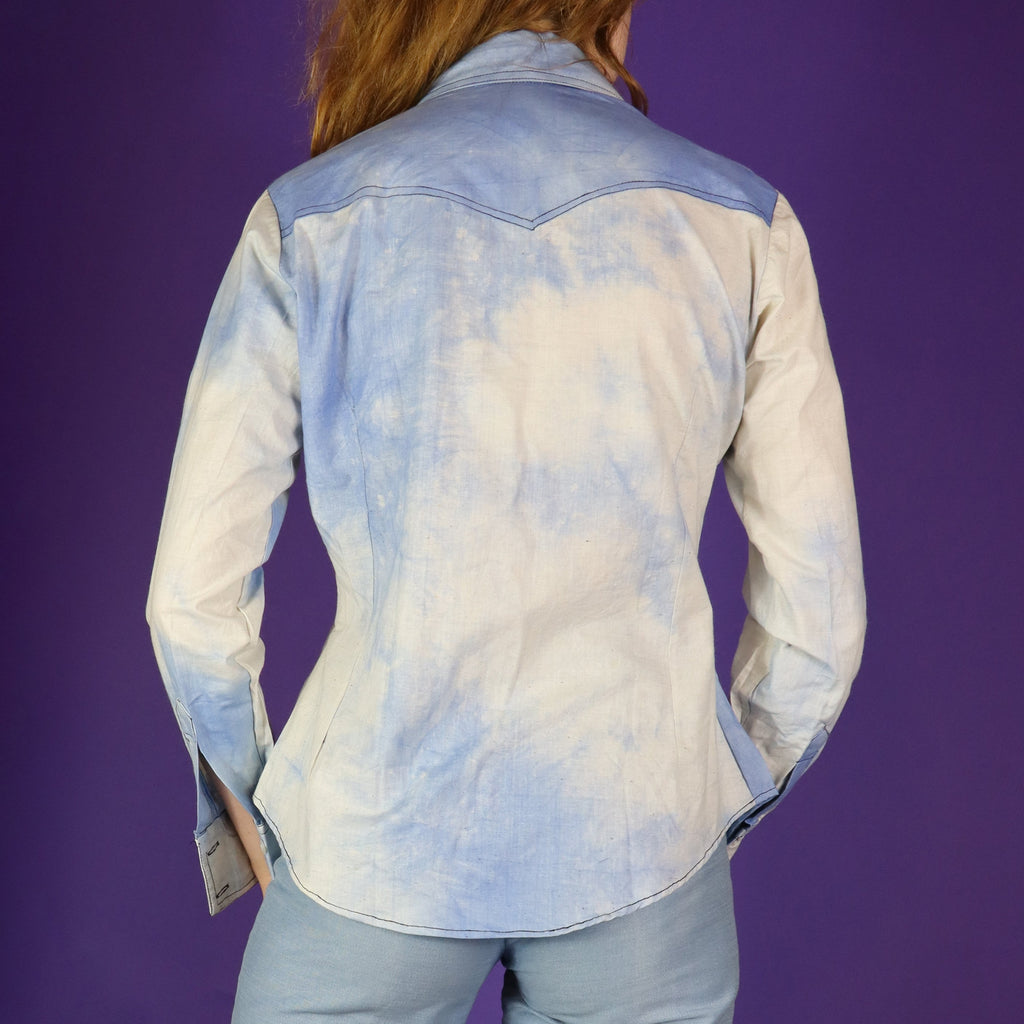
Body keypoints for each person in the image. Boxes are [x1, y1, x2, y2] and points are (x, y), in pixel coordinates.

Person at [147, 1, 866, 1021]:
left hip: (373, 850)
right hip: (642, 853)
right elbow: (819, 619)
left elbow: (190, 603)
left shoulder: (309, 220)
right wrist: (701, 804)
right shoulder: (744, 224)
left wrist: (271, 818)